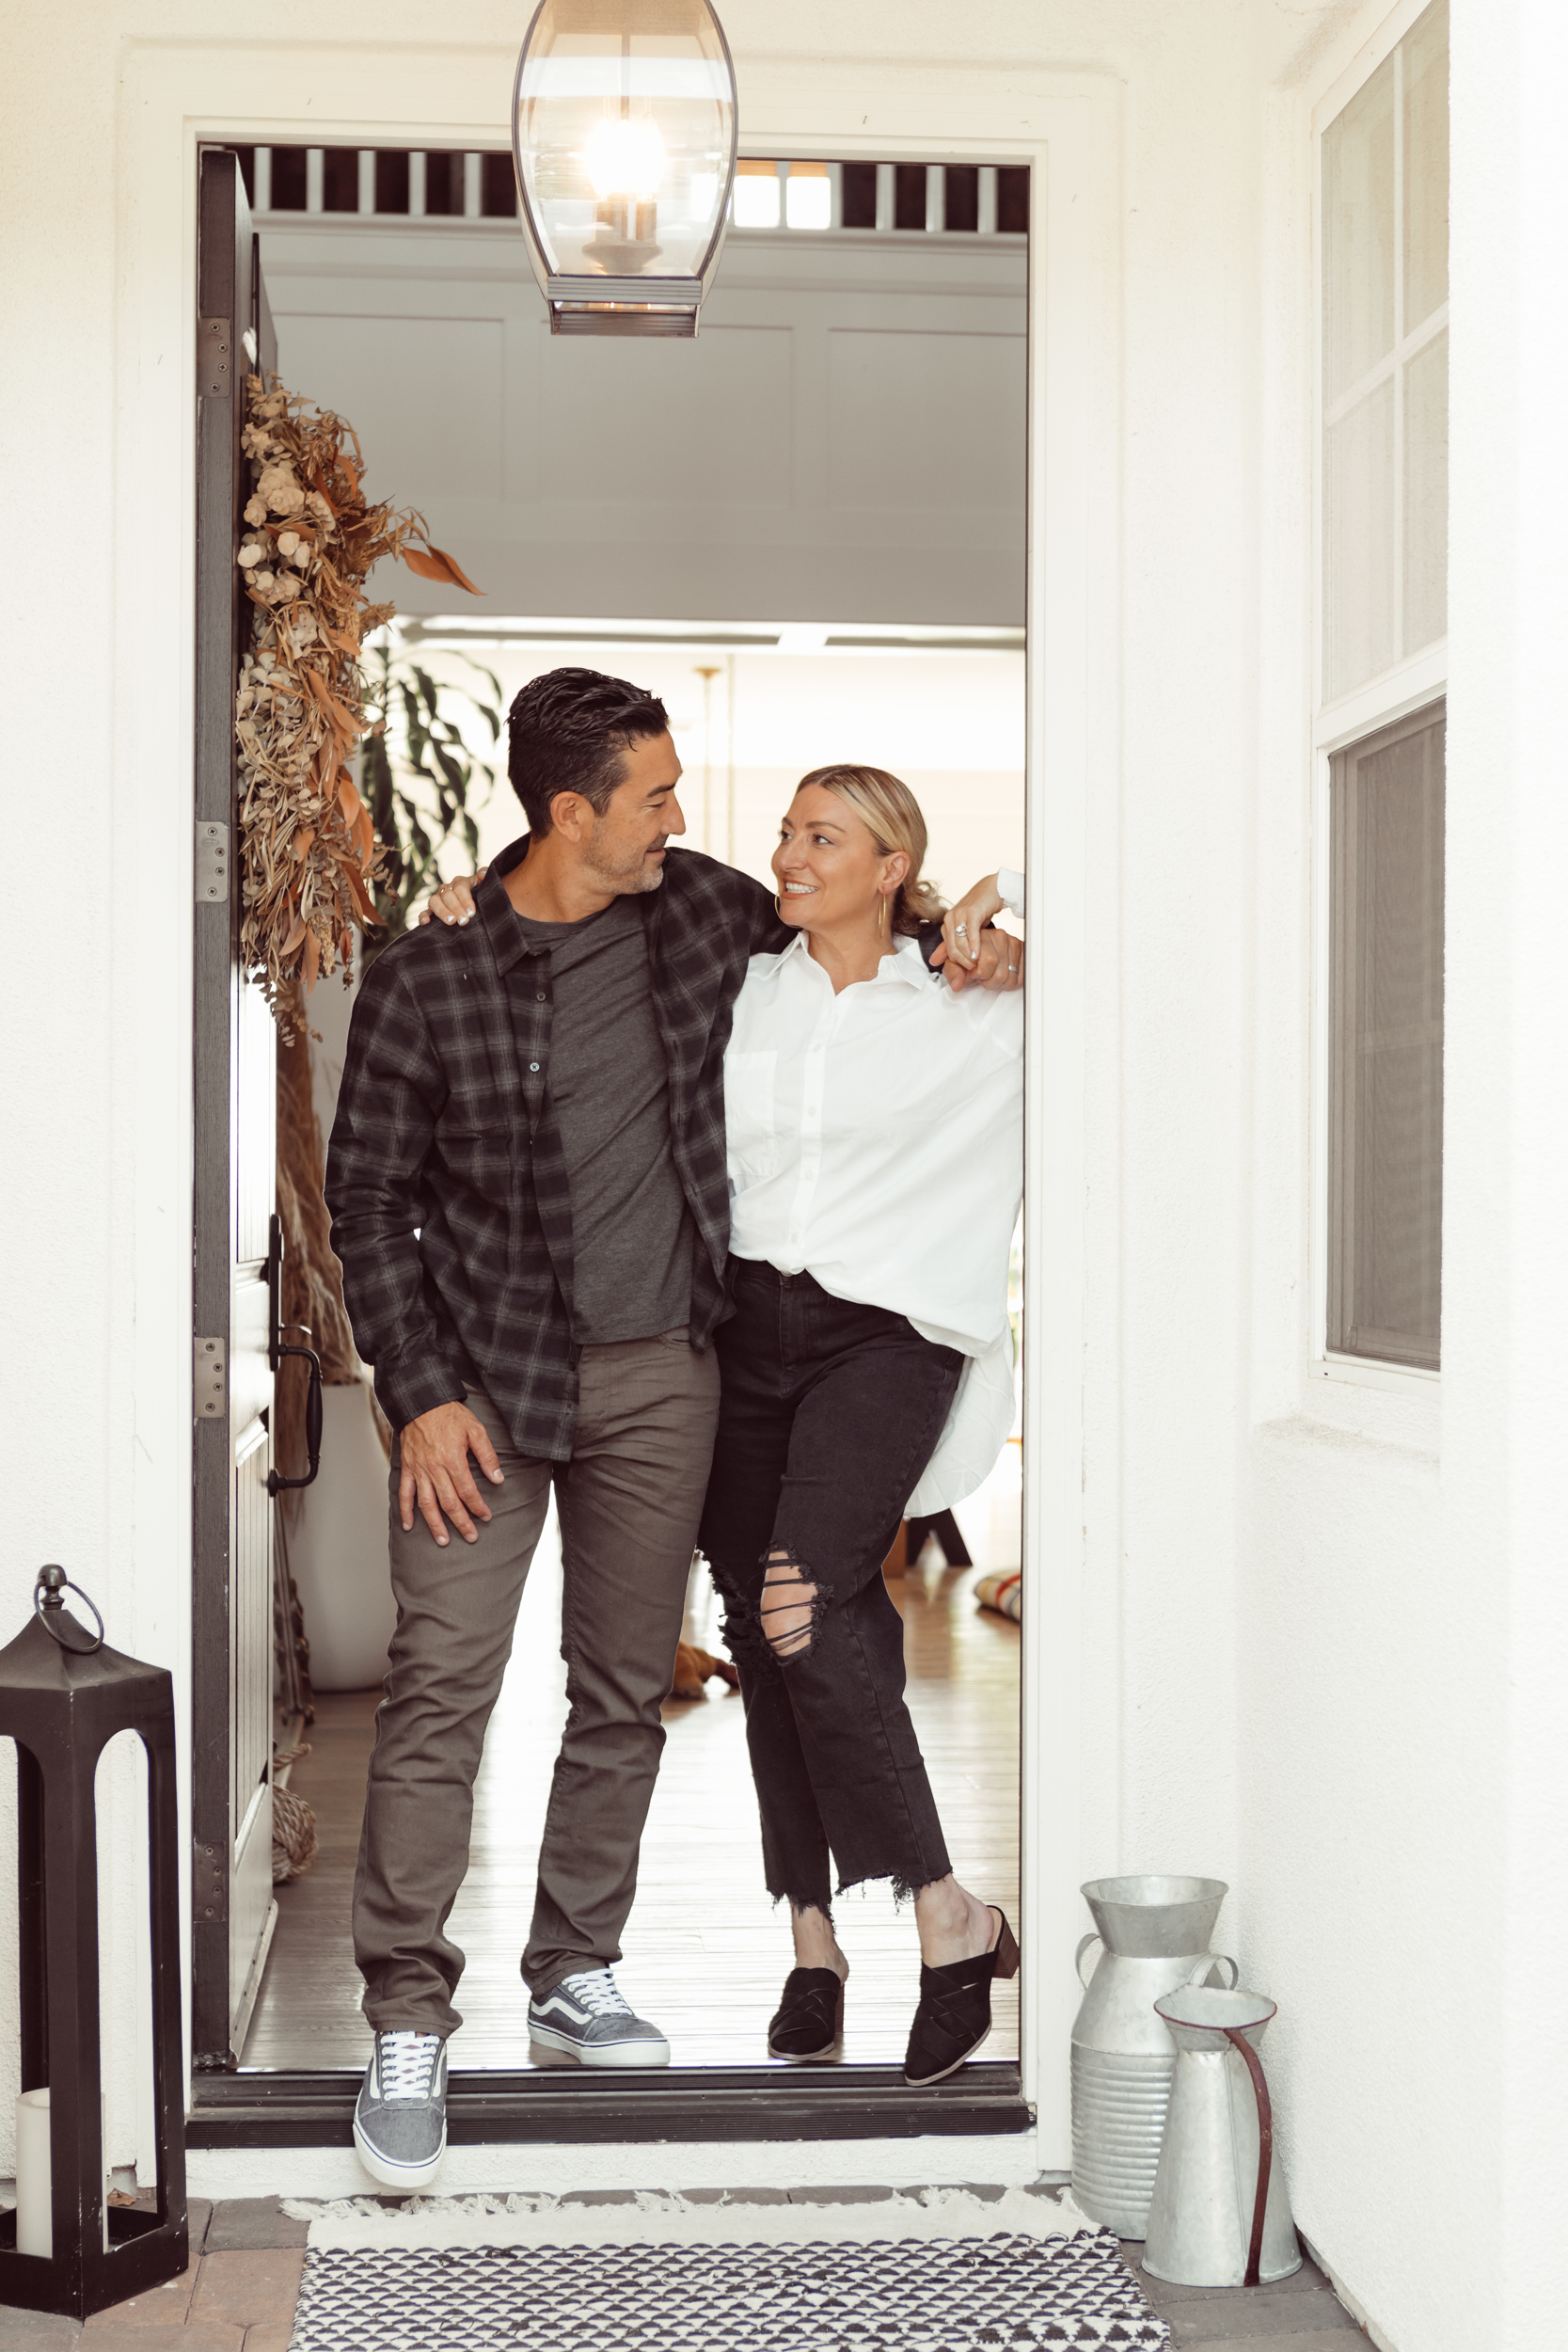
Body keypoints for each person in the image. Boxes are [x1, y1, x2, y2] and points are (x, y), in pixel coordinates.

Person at [326, 669, 1017, 2189]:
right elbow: (366, 1205)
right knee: (444, 1685)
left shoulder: (705, 913)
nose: (686, 821)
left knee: (624, 1687)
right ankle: (404, 2008)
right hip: (482, 1388)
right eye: (655, 794)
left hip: (665, 1374)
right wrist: (418, 1389)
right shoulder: (424, 972)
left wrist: (990, 924)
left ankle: (576, 1969)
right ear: (571, 811)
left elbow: (869, 915)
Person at [694, 770, 1026, 2085]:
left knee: (803, 1604)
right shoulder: (744, 981)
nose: (786, 854)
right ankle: (815, 1944)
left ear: (893, 867)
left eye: (820, 838)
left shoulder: (980, 998)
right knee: (769, 1639)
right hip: (742, 1329)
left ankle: (953, 1920)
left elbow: (1142, 934)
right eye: (784, 831)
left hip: (889, 1336)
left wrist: (1017, 911)